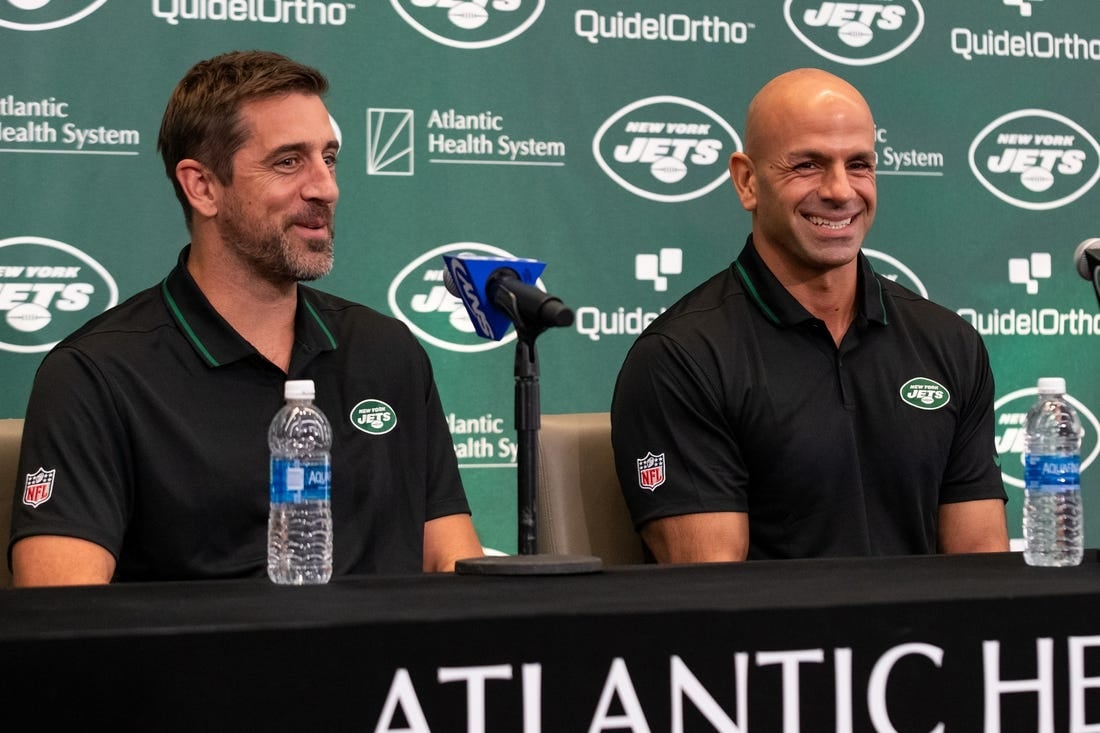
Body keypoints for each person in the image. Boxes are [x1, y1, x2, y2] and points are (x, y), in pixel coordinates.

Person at [7, 50, 484, 586]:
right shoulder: (95, 375)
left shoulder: (387, 351)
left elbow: (451, 563)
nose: (325, 187)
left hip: (389, 668)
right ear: (202, 187)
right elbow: (64, 617)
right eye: (288, 161)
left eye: (329, 158)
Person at [610, 68, 1009, 563]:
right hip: (775, 642)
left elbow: (982, 564)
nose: (841, 190)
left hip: (922, 641)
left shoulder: (949, 343)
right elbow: (710, 596)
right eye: (807, 165)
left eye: (859, 164)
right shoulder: (680, 358)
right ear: (747, 181)